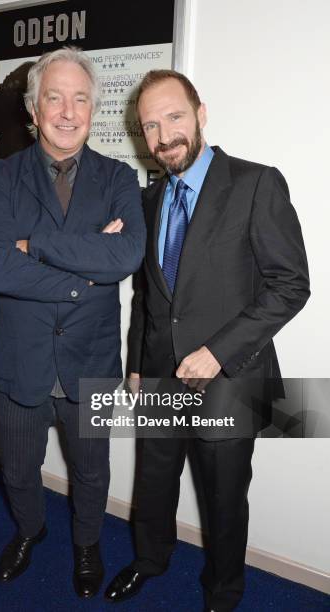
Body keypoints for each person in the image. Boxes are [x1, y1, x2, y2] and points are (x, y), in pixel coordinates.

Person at [105, 69, 310, 611]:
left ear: (201, 114)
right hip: (157, 375)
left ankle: (223, 590)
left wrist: (218, 352)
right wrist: (134, 363)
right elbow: (147, 293)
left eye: (173, 117)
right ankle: (150, 560)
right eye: (149, 126)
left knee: (222, 499)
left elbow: (291, 284)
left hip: (231, 380)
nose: (162, 135)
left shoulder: (255, 183)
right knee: (152, 485)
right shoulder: (149, 201)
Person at [0, 47, 145, 598]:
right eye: (54, 98)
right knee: (19, 473)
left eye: (80, 100)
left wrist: (36, 246)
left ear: (93, 109)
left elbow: (127, 257)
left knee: (93, 473)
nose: (68, 112)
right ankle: (31, 529)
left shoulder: (119, 178)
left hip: (91, 365)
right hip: (18, 362)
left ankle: (88, 544)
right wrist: (84, 272)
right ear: (32, 108)